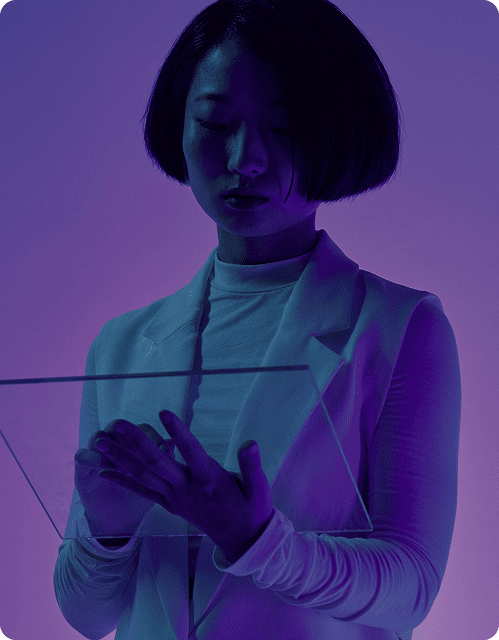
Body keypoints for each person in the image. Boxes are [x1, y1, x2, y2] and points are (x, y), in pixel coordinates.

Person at [53, 1, 461, 639]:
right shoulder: (122, 344)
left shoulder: (401, 327)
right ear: (179, 126)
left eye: (285, 127)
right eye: (215, 123)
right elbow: (86, 614)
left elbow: (412, 587)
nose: (244, 158)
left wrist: (259, 541)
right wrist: (107, 531)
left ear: (338, 133)